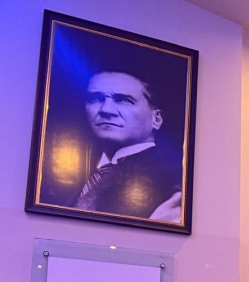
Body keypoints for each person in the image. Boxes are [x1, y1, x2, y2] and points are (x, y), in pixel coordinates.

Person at [71, 71, 183, 222]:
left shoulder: (174, 182)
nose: (106, 110)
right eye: (96, 99)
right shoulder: (78, 175)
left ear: (156, 119)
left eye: (124, 100)